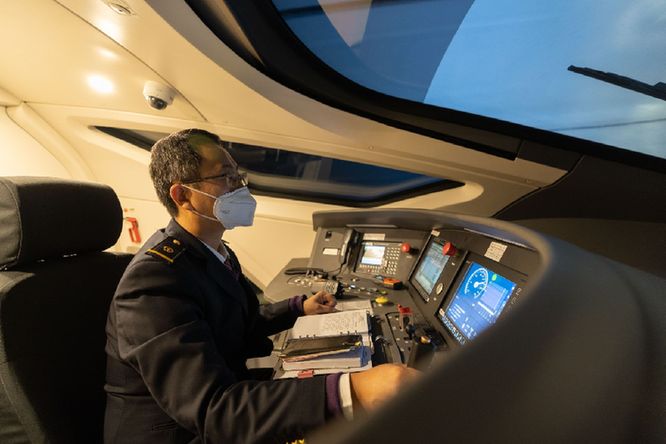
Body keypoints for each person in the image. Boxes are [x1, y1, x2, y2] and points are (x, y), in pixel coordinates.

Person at [104, 128, 419, 443]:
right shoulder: (154, 281)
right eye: (226, 177)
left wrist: (298, 308)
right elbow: (215, 410)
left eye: (238, 176)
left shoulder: (215, 252)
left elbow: (237, 325)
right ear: (183, 196)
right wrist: (349, 392)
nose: (240, 187)